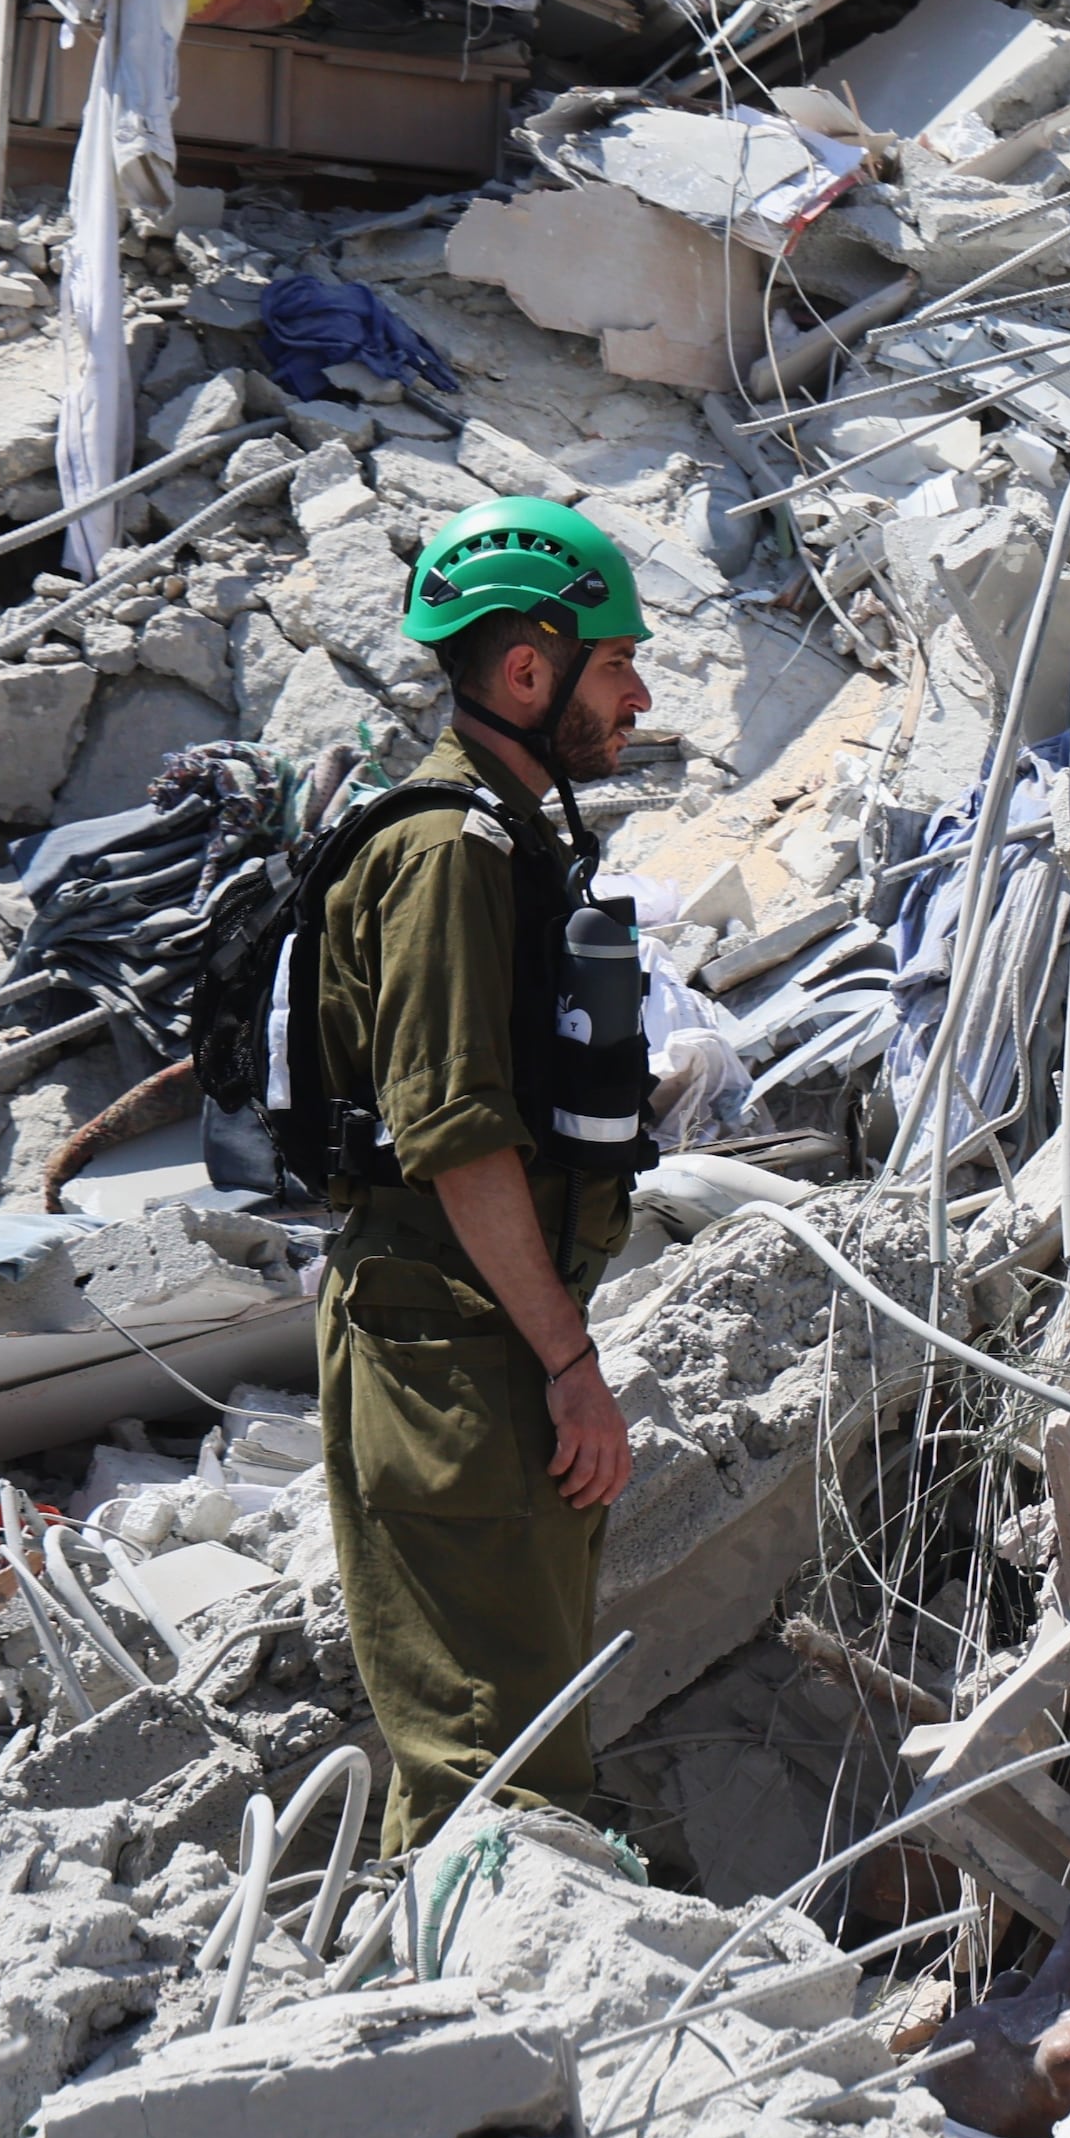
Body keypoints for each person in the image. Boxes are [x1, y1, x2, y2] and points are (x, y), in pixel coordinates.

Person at [313, 497, 666, 1848]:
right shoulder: (447, 852)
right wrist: (571, 1365)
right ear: (529, 667)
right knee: (493, 1760)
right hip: (452, 1348)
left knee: (510, 1725)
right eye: (616, 658)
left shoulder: (501, 839)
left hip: (480, 1334)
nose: (637, 692)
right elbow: (455, 1135)